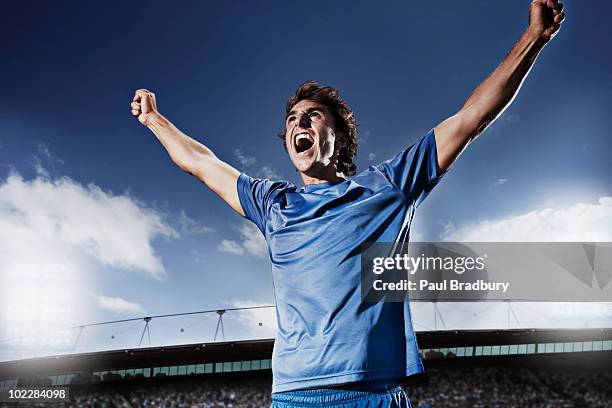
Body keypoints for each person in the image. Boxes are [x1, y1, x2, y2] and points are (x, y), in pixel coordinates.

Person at [130, 1, 565, 406]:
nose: (298, 122)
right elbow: (202, 163)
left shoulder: (388, 186)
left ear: (338, 137)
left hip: (372, 392)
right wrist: (154, 120)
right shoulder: (272, 204)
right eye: (292, 119)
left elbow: (470, 118)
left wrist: (533, 38)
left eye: (312, 115)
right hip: (294, 394)